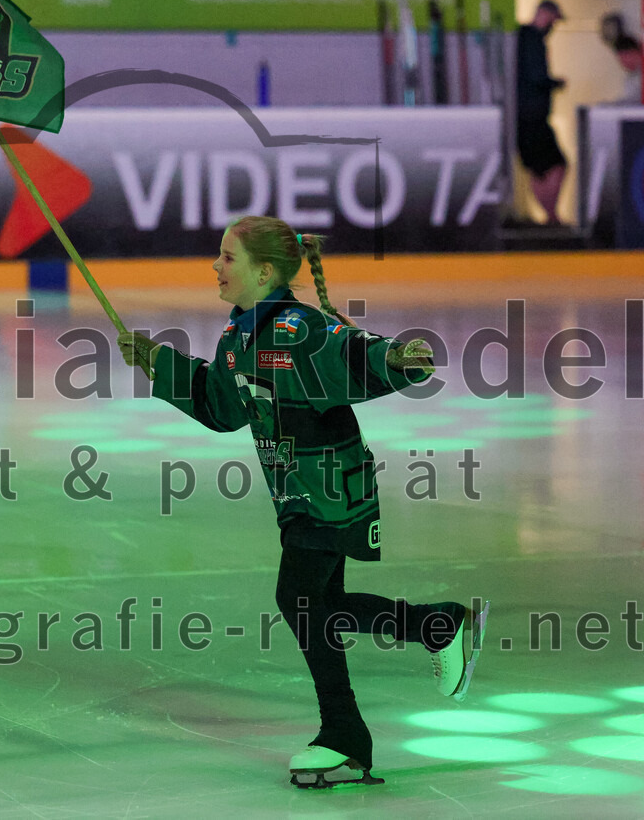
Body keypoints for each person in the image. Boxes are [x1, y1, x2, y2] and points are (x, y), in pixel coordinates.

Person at [117, 216, 487, 788]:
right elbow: (222, 407)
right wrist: (158, 363)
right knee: (320, 604)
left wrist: (396, 358)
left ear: (265, 272)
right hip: (297, 494)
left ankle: (345, 735)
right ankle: (436, 627)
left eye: (228, 257)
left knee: (300, 600)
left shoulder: (299, 330)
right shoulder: (239, 335)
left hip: (330, 488)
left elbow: (353, 354)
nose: (215, 267)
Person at [516, 0, 567, 226]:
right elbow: (537, 78)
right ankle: (551, 215)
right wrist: (555, 83)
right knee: (556, 164)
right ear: (545, 14)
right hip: (533, 117)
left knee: (538, 169)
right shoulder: (533, 40)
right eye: (554, 20)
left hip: (525, 117)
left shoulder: (522, 38)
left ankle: (549, 215)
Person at [612, 35, 642, 105]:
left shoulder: (641, 75)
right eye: (620, 59)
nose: (623, 63)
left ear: (635, 53)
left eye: (625, 57)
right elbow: (630, 100)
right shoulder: (630, 78)